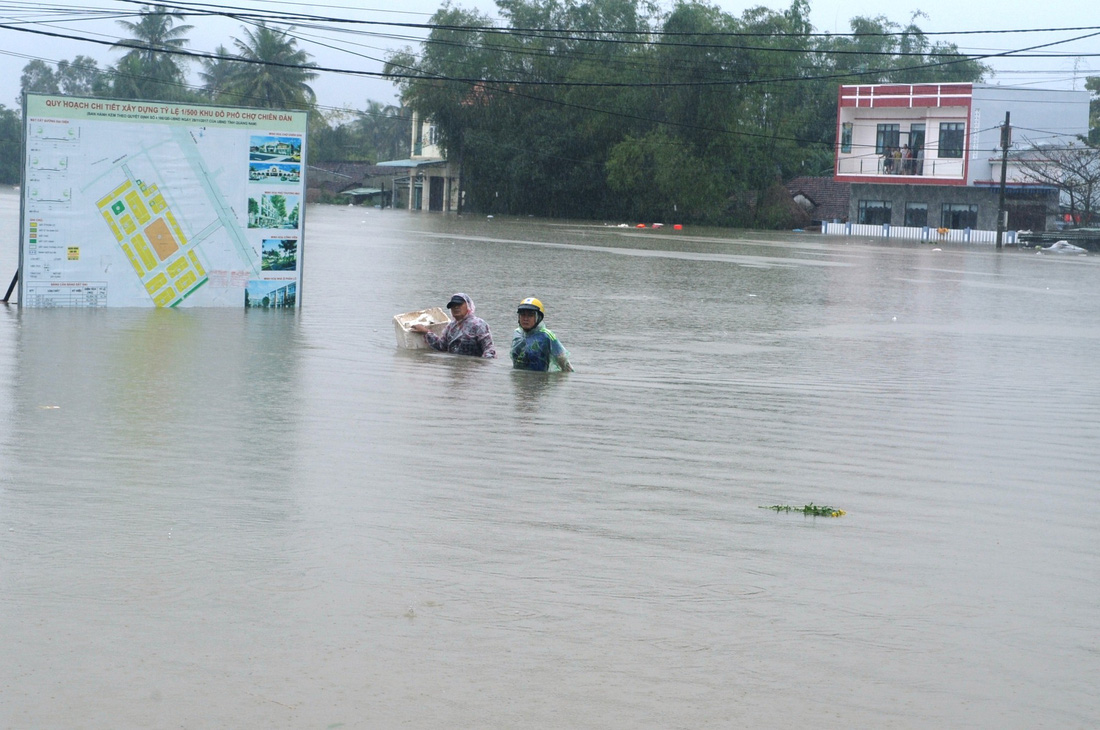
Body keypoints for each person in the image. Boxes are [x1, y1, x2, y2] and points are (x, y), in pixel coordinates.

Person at [411, 292, 496, 358]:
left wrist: (482, 369)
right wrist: (425, 332)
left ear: (468, 306)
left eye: (459, 304)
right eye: (453, 306)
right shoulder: (451, 327)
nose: (456, 307)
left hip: (472, 370)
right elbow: (442, 346)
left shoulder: (478, 325)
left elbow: (489, 350)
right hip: (454, 368)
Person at [510, 297, 573, 372]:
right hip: (518, 380)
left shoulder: (546, 336)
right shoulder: (517, 333)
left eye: (530, 315)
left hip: (539, 381)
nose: (525, 319)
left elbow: (563, 361)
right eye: (522, 315)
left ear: (539, 317)